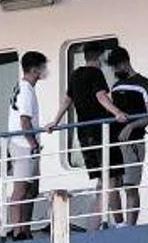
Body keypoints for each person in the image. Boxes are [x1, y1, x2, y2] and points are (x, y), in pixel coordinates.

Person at [46, 42, 131, 229]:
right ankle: (119, 222)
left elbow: (67, 100)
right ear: (99, 56)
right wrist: (117, 113)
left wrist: (55, 121)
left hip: (84, 133)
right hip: (101, 131)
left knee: (102, 179)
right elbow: (101, 97)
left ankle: (96, 224)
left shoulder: (75, 74)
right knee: (112, 177)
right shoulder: (96, 74)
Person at [106, 47, 148, 227]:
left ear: (124, 63)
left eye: (115, 67)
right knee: (112, 182)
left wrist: (132, 125)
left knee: (130, 186)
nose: (114, 71)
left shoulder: (145, 84)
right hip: (115, 140)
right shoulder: (116, 86)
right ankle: (119, 223)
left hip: (134, 141)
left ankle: (130, 226)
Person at [5, 51, 48, 241]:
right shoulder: (26, 90)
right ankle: (17, 230)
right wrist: (33, 144)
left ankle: (25, 228)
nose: (45, 71)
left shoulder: (22, 87)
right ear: (34, 69)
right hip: (24, 145)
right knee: (21, 189)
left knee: (31, 189)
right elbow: (24, 121)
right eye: (43, 67)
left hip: (24, 144)